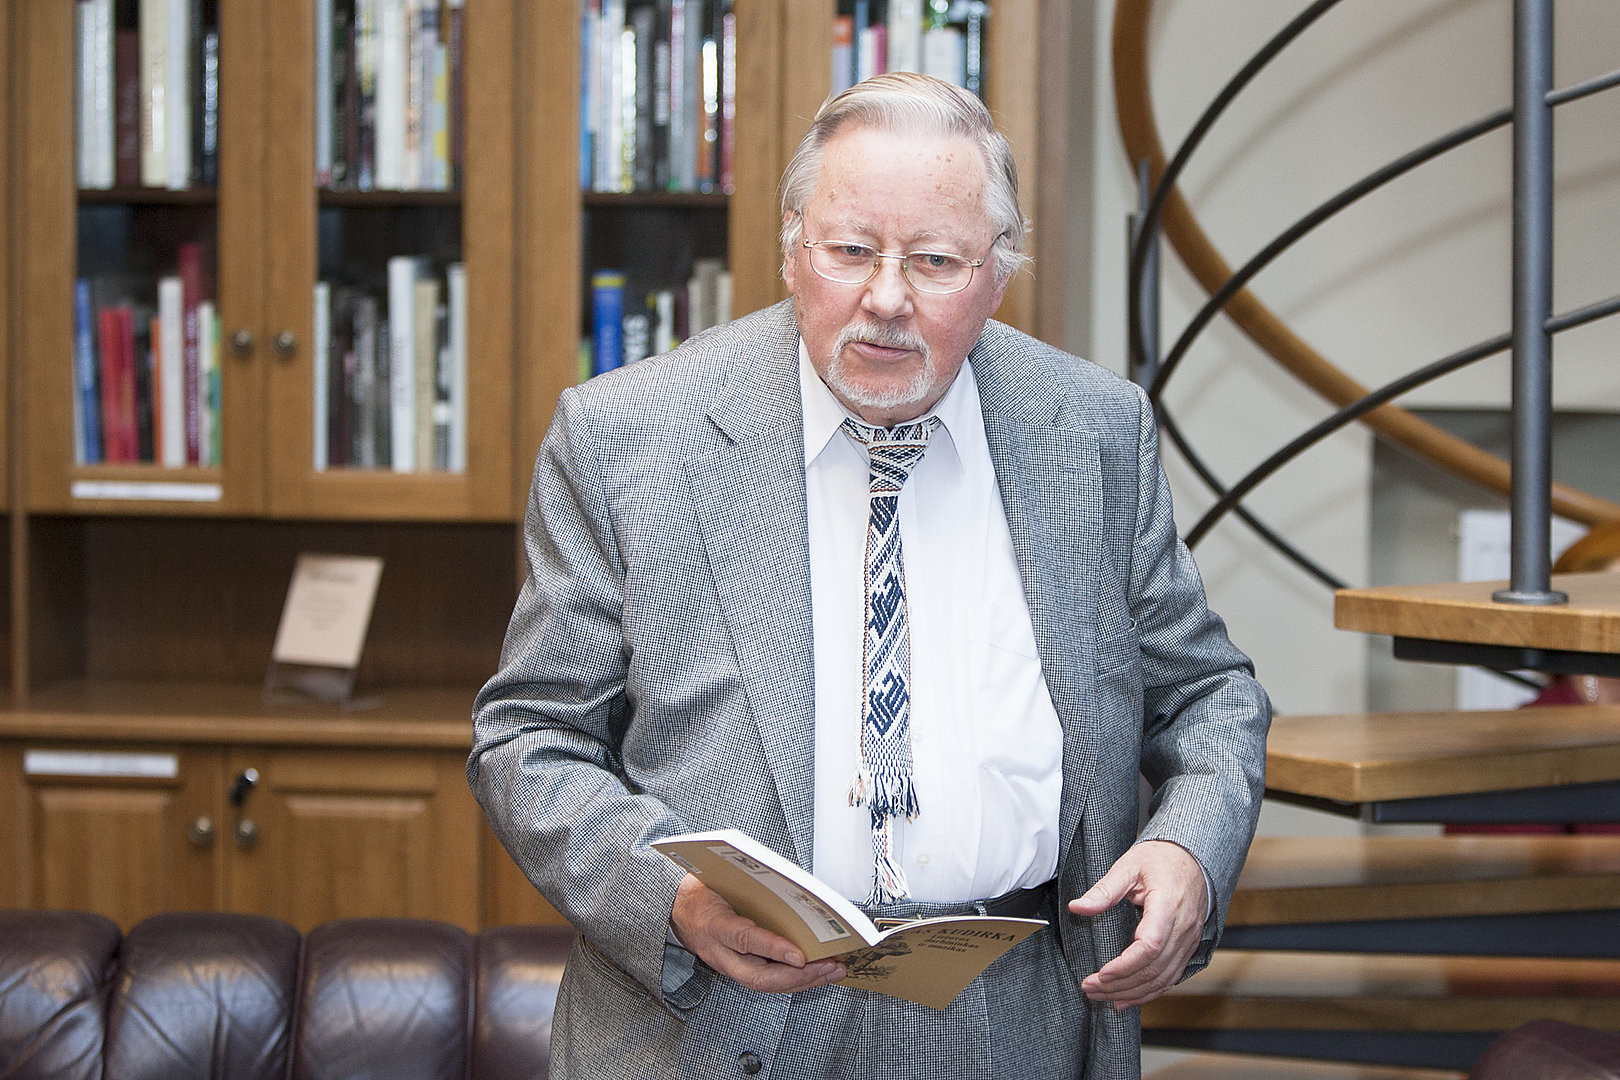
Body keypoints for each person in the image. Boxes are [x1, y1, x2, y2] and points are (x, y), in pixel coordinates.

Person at [470, 72, 1271, 1080]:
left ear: (998, 273)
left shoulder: (1097, 434)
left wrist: (1190, 847)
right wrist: (669, 899)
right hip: (715, 1018)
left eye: (935, 261)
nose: (886, 299)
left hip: (1019, 1013)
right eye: (850, 250)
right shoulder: (627, 440)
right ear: (792, 247)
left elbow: (1209, 694)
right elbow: (529, 736)